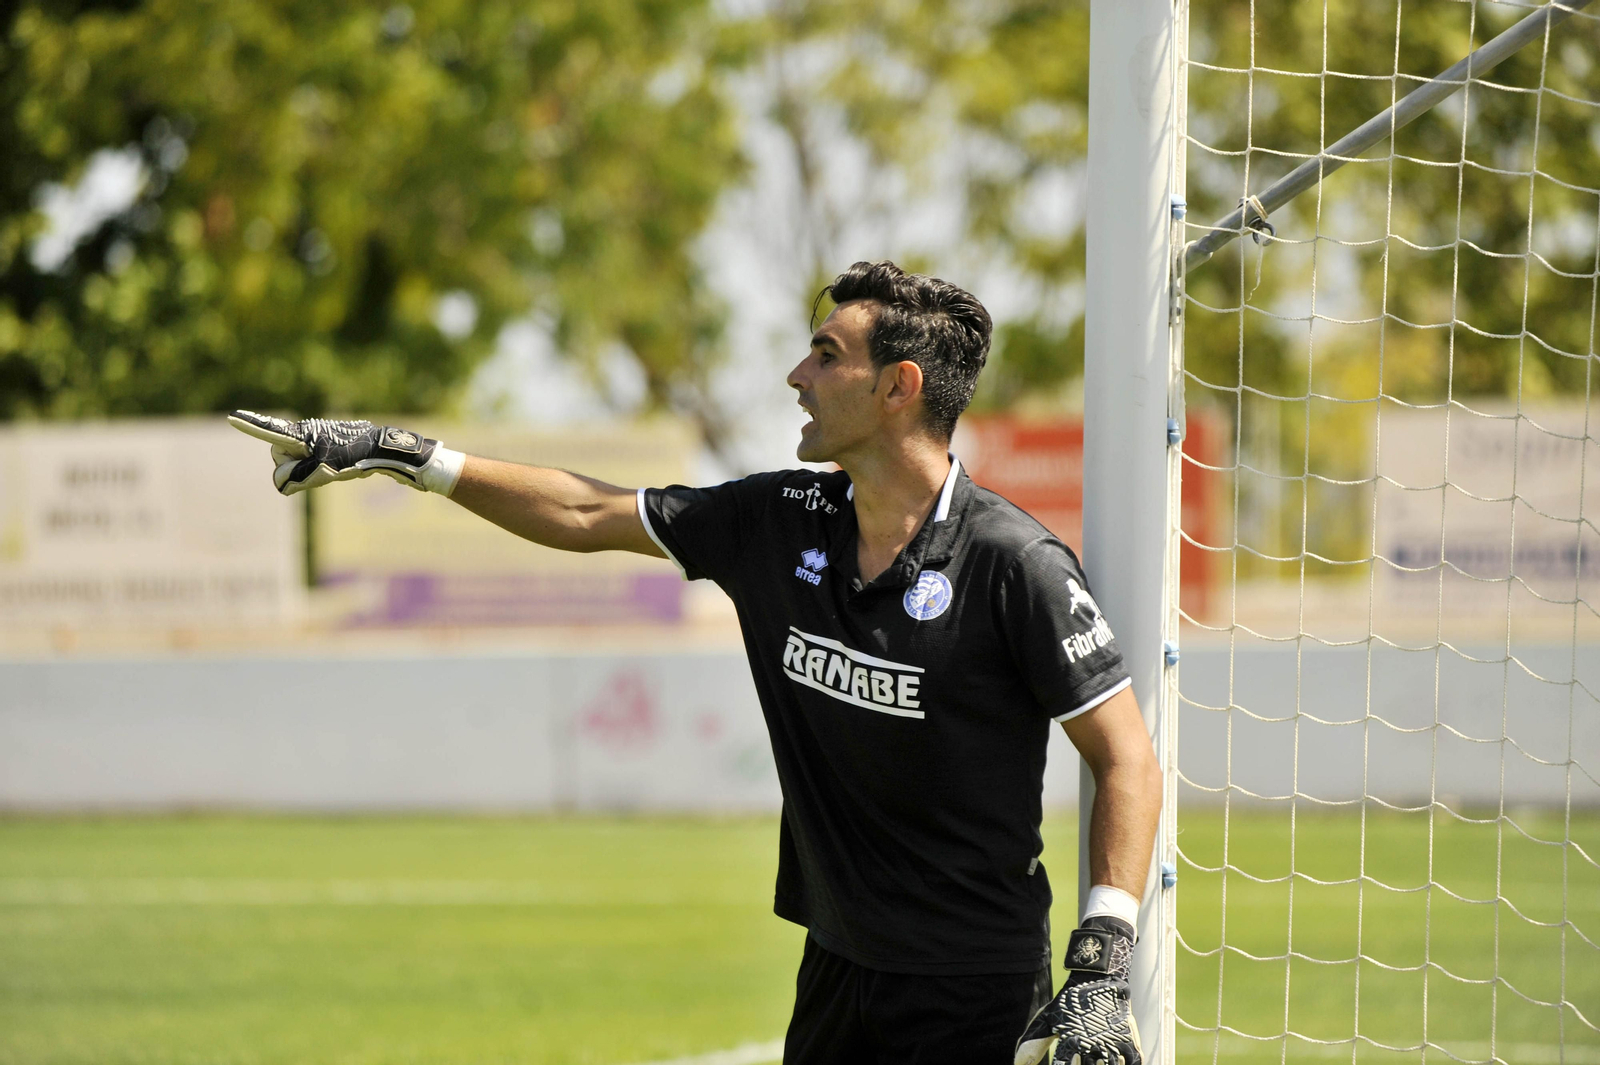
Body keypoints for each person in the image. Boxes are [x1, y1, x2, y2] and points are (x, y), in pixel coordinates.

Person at [229, 260, 1162, 1065]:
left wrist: (1105, 960)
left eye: (826, 355)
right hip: (838, 965)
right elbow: (587, 513)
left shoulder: (1015, 564)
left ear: (897, 386)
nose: (797, 375)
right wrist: (411, 456)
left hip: (972, 986)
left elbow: (1125, 756)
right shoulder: (776, 518)